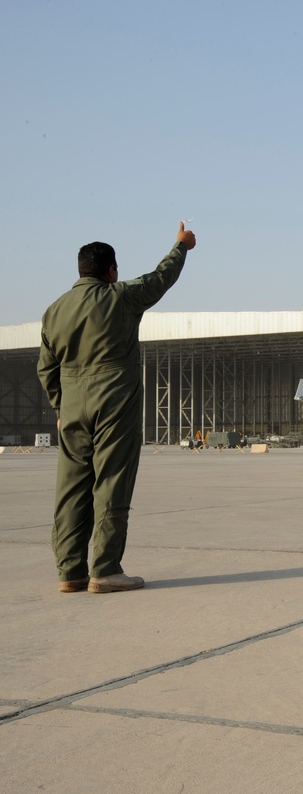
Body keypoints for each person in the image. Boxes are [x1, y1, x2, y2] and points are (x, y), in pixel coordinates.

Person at [37, 222, 196, 593]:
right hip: (115, 404)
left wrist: (61, 407)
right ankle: (105, 569)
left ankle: (70, 572)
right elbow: (161, 277)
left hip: (73, 407)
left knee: (71, 488)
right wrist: (181, 246)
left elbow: (46, 368)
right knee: (111, 481)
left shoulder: (54, 311)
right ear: (110, 271)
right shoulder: (120, 296)